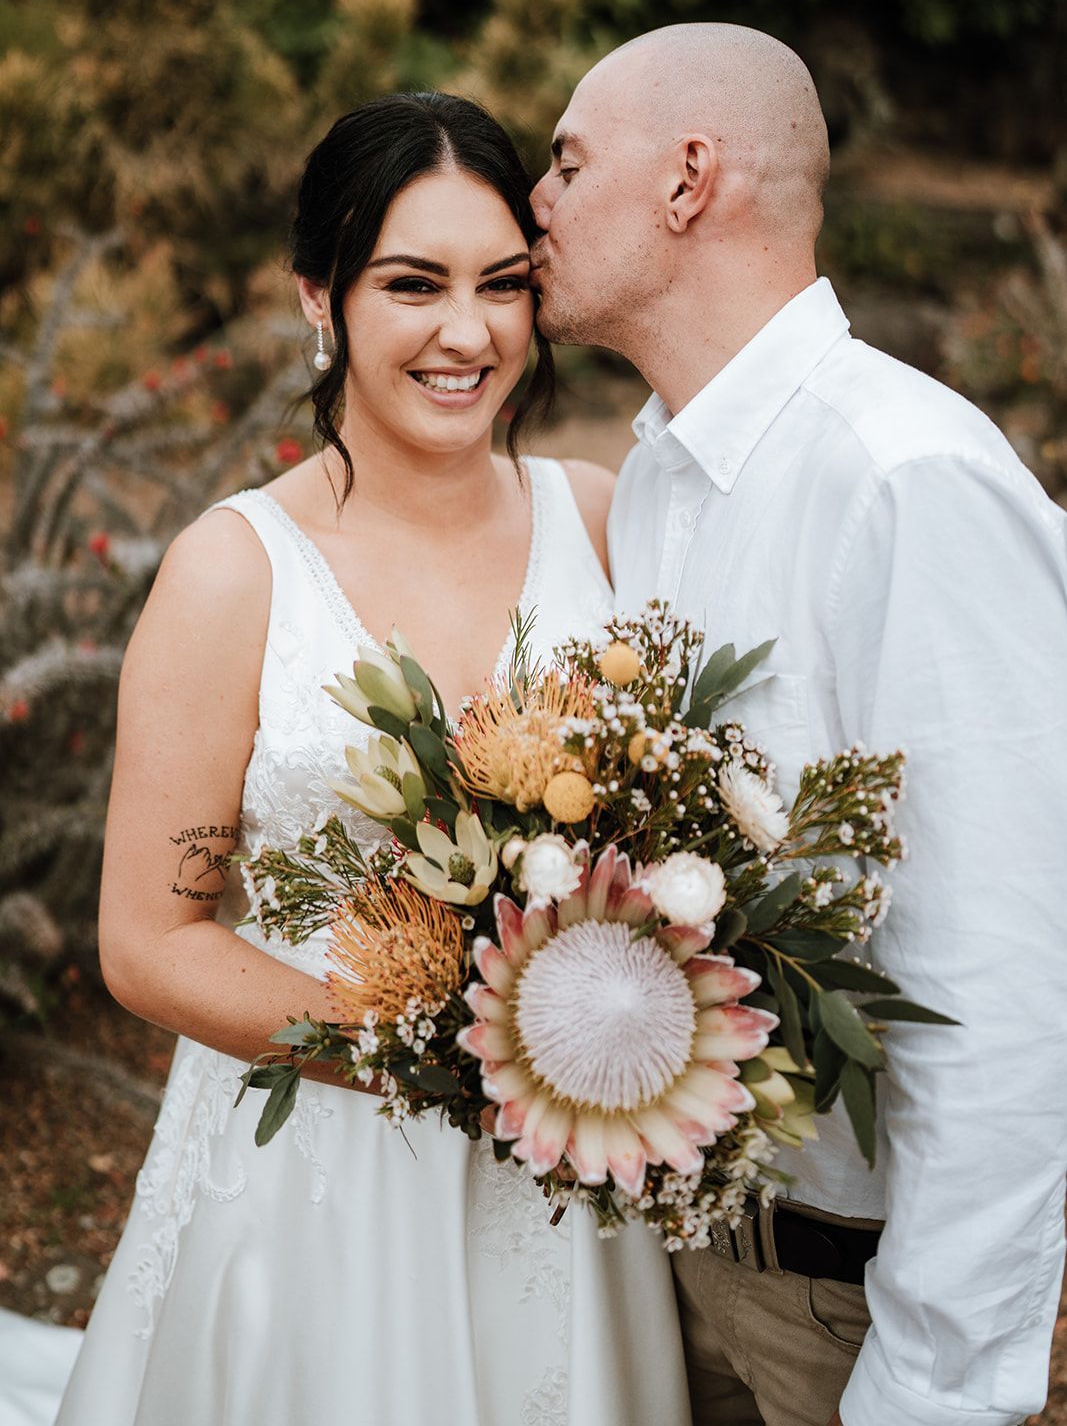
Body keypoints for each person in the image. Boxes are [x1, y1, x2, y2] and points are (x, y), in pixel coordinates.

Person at [54, 92, 692, 1426]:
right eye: (415, 284)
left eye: (503, 284)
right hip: (316, 1181)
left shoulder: (605, 520)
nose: (468, 332)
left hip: (565, 1182)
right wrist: (449, 1049)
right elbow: (148, 940)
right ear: (318, 297)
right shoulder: (233, 573)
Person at [530, 23, 1067, 1426]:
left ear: (688, 179)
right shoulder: (653, 482)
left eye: (569, 161)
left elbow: (1008, 981)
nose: (537, 198)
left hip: (850, 1313)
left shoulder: (907, 479)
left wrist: (936, 1386)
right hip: (677, 1278)